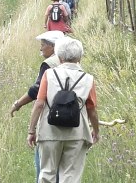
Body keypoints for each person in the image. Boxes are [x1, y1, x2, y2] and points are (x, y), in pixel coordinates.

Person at [27, 37, 100, 183]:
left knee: (47, 174)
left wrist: (31, 130)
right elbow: (92, 109)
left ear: (59, 57)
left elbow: (39, 104)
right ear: (79, 57)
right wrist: (96, 131)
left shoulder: (49, 75)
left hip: (49, 133)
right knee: (71, 177)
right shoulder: (88, 79)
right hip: (77, 134)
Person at [10, 30, 65, 182]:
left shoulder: (49, 64)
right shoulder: (71, 62)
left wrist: (18, 104)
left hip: (50, 121)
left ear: (53, 47)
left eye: (43, 45)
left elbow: (37, 92)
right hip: (72, 123)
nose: (40, 49)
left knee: (43, 169)